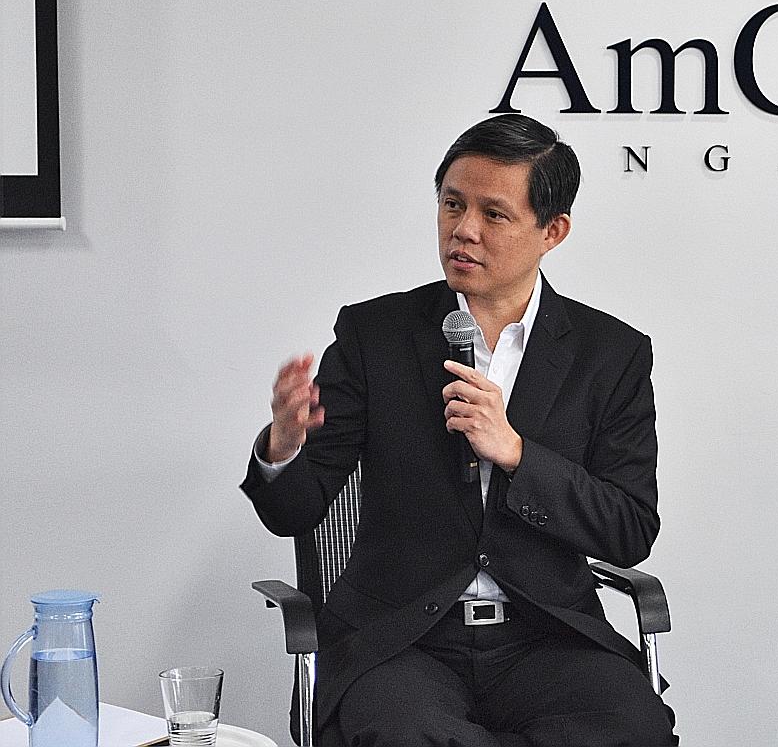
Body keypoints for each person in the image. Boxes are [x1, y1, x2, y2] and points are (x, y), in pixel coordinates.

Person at [240, 114, 677, 747]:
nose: (462, 230)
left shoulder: (610, 354)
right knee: (401, 734)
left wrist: (520, 455)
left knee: (628, 730)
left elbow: (631, 528)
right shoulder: (375, 336)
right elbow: (293, 509)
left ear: (552, 231)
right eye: (452, 204)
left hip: (547, 639)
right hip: (403, 641)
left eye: (493, 215)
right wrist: (285, 445)